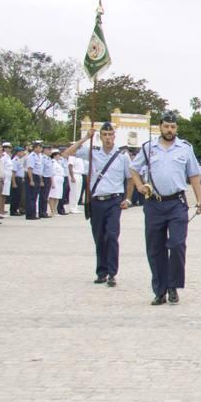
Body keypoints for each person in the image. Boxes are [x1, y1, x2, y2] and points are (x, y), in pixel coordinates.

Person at [129, 112, 201, 305]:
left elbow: (194, 174)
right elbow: (133, 169)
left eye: (173, 127)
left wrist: (199, 200)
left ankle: (173, 285)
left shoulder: (185, 148)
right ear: (160, 127)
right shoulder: (148, 148)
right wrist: (139, 186)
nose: (170, 130)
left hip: (177, 203)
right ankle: (160, 290)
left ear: (176, 128)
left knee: (177, 244)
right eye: (166, 126)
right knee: (155, 248)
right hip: (154, 203)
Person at [63, 121, 133, 286]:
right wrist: (86, 138)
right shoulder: (92, 152)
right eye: (105, 135)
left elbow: (130, 179)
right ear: (100, 137)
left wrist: (128, 199)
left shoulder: (122, 156)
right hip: (96, 201)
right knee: (99, 237)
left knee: (112, 235)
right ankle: (101, 271)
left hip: (114, 200)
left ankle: (112, 273)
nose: (108, 138)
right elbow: (67, 153)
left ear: (114, 136)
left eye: (110, 135)